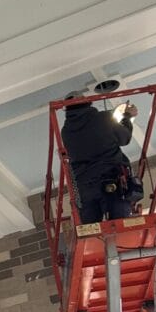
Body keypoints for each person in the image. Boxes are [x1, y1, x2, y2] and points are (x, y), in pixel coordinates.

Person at [61, 88, 141, 223]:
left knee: (92, 230)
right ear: (87, 103)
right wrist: (127, 117)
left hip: (84, 186)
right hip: (111, 177)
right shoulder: (102, 118)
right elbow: (124, 138)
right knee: (119, 224)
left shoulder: (65, 132)